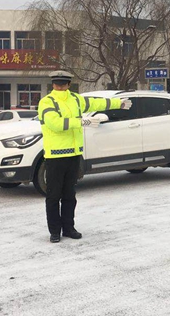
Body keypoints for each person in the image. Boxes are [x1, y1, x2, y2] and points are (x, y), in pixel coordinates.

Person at [38, 70, 132, 243]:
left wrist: (119, 103)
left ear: (68, 85)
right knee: (53, 196)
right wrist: (80, 121)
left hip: (74, 155)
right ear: (53, 85)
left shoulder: (76, 99)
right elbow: (55, 123)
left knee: (69, 195)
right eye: (57, 84)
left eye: (62, 84)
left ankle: (68, 228)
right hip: (55, 157)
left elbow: (96, 103)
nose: (59, 87)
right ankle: (54, 231)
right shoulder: (46, 102)